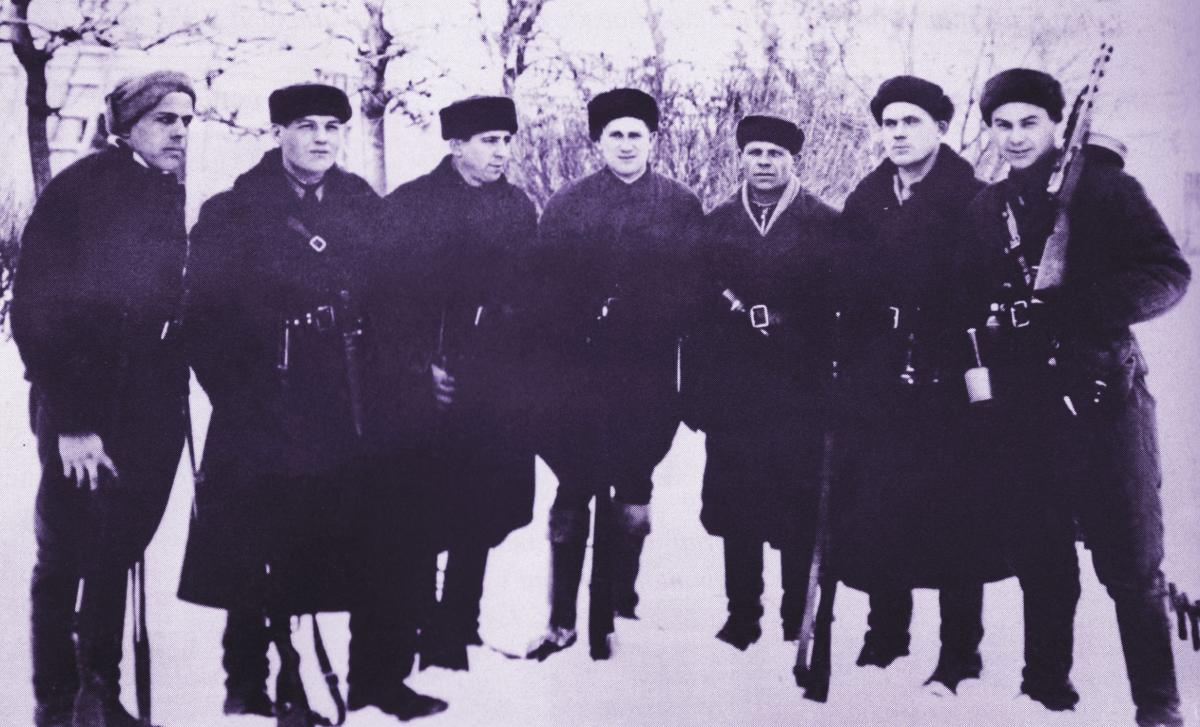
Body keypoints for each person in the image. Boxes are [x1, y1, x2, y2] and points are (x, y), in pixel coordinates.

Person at [176, 83, 446, 724]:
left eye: (332, 125)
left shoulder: (364, 205)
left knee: (378, 537)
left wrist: (410, 375)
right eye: (305, 125)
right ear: (278, 133)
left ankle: (377, 680)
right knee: (262, 547)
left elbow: (397, 303)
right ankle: (253, 684)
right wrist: (245, 400)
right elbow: (203, 322)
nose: (321, 138)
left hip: (358, 402)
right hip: (270, 403)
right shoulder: (233, 213)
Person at [959, 68, 1189, 726]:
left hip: (1105, 396)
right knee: (1042, 559)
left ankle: (1159, 705)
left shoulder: (1107, 189)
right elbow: (967, 301)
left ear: (1055, 125)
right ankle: (1045, 691)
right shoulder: (984, 209)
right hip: (1024, 406)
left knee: (1132, 563)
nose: (1015, 136)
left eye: (1029, 122)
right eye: (1002, 125)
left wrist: (1083, 306)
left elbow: (1168, 272)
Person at [13, 71, 195, 727]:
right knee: (65, 554)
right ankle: (58, 703)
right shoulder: (81, 190)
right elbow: (37, 310)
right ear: (128, 125)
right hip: (84, 409)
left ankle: (100, 695)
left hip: (148, 406)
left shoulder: (166, 192)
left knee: (116, 549)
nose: (179, 132)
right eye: (165, 119)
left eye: (186, 120)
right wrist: (73, 423)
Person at [830, 75, 1010, 693]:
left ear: (939, 127)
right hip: (879, 378)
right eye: (890, 123)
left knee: (956, 514)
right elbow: (846, 286)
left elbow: (986, 291)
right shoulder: (867, 199)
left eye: (912, 122)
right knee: (884, 507)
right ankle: (886, 635)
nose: (899, 134)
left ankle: (960, 653)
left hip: (949, 378)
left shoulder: (974, 200)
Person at [525, 87, 703, 659]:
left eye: (636, 135)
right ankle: (561, 618)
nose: (626, 145)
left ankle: (619, 597)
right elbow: (544, 293)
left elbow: (694, 291)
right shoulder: (567, 204)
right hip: (577, 375)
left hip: (647, 375)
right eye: (615, 135)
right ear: (598, 142)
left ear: (653, 140)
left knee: (632, 488)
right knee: (573, 488)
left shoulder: (680, 204)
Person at [375, 95, 538, 671]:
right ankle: (424, 623)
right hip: (430, 381)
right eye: (489, 141)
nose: (501, 152)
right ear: (456, 145)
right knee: (423, 505)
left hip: (497, 383)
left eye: (506, 141)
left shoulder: (517, 207)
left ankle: (462, 621)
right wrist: (417, 366)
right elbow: (383, 303)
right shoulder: (410, 206)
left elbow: (529, 293)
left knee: (482, 504)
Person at [686, 114, 839, 651]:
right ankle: (742, 615)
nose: (765, 163)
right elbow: (696, 312)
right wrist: (698, 393)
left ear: (794, 160)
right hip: (735, 394)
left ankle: (798, 614)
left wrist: (795, 329)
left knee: (798, 508)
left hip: (801, 391)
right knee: (737, 508)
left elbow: (840, 309)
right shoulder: (718, 223)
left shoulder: (824, 222)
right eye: (755, 153)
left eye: (776, 154)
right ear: (741, 158)